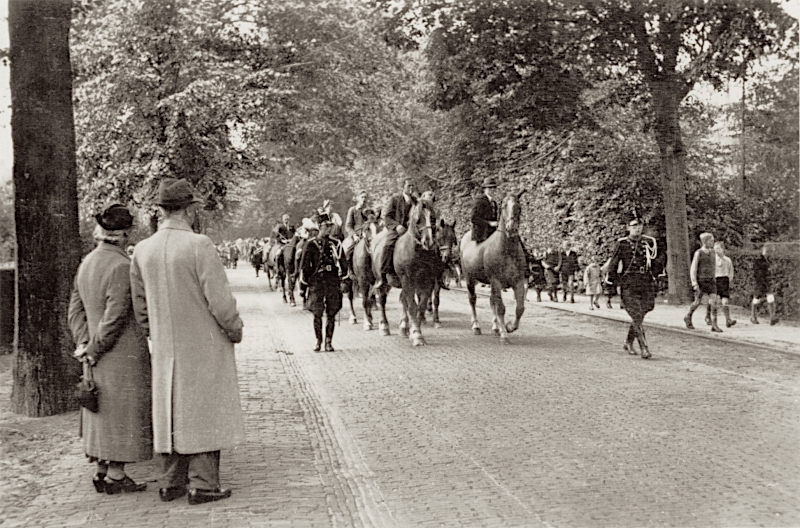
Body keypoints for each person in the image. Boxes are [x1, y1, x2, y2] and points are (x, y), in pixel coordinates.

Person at [130, 178, 244, 506]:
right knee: (204, 409)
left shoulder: (143, 250)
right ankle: (203, 483)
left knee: (168, 408)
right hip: (204, 343)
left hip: (166, 346)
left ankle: (170, 482)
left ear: (160, 210)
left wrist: (156, 331)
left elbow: (141, 306)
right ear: (190, 209)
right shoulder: (199, 245)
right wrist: (234, 329)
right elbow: (220, 302)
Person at [68, 204, 152, 495]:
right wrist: (94, 348)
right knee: (122, 413)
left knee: (99, 412)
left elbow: (75, 309)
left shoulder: (87, 262)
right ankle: (116, 475)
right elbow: (114, 318)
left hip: (93, 355)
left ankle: (102, 471)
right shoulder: (121, 266)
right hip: (119, 354)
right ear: (125, 233)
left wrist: (83, 344)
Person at [607, 216, 660, 359]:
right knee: (636, 315)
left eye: (639, 225)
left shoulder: (649, 242)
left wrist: (657, 277)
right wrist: (613, 284)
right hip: (629, 283)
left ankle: (628, 342)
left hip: (645, 282)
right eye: (634, 225)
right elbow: (613, 264)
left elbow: (655, 263)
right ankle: (644, 348)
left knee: (642, 312)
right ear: (628, 228)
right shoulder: (622, 244)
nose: (637, 228)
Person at [299, 213, 347, 351]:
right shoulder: (311, 244)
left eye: (330, 226)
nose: (329, 229)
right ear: (320, 227)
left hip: (332, 281)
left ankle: (328, 341)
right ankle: (318, 340)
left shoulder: (336, 244)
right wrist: (304, 285)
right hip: (317, 282)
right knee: (317, 313)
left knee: (331, 312)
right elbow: (305, 266)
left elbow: (343, 264)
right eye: (327, 226)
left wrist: (344, 280)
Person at [375, 179, 415, 289]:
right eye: (408, 185)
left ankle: (437, 275)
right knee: (388, 245)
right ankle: (384, 275)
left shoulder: (416, 202)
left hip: (412, 232)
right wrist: (397, 226)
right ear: (403, 187)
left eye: (412, 186)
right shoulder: (395, 199)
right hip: (397, 230)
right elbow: (387, 217)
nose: (411, 188)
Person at [684, 232, 722, 333]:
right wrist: (694, 283)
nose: (713, 242)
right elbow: (693, 268)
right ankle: (688, 316)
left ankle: (714, 323)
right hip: (701, 281)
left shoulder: (713, 252)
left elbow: (714, 266)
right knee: (697, 302)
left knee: (714, 302)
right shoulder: (699, 253)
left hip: (711, 280)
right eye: (711, 240)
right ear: (705, 241)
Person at [705, 241, 736, 327]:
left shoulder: (727, 260)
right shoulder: (712, 260)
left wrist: (728, 280)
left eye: (718, 249)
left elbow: (731, 272)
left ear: (723, 249)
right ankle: (708, 316)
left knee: (725, 300)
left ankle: (728, 319)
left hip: (724, 280)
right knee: (712, 300)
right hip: (715, 280)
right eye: (715, 249)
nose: (716, 251)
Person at [751, 242, 780, 325]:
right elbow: (757, 273)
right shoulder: (758, 260)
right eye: (770, 252)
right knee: (756, 299)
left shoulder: (768, 260)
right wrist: (761, 281)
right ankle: (753, 316)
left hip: (766, 282)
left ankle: (772, 318)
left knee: (770, 298)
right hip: (760, 282)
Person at [470, 176, 499, 244]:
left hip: (492, 232)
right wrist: (489, 223)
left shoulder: (494, 203)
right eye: (489, 188)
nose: (492, 190)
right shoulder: (479, 201)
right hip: (481, 234)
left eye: (493, 188)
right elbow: (474, 218)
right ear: (485, 189)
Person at [343, 190, 369, 261]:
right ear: (358, 198)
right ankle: (349, 269)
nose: (364, 199)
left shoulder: (368, 211)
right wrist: (354, 236)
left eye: (365, 197)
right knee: (347, 251)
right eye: (362, 197)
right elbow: (348, 226)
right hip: (356, 236)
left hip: (367, 235)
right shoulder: (353, 210)